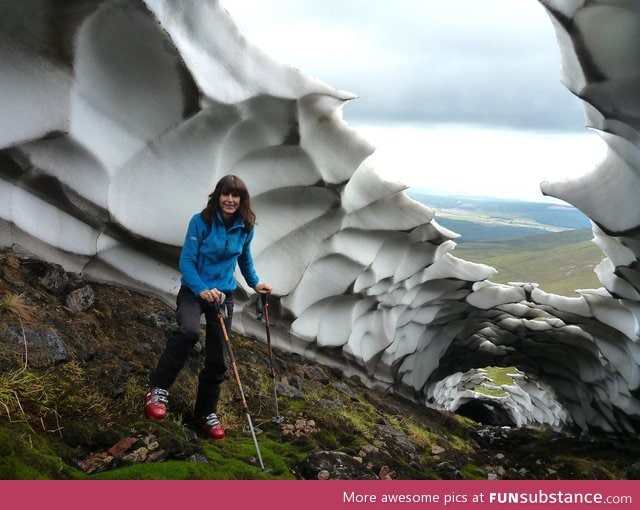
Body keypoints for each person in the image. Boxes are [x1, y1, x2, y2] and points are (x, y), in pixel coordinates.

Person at [145, 175, 272, 440]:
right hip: (194, 292)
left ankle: (204, 413)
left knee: (218, 356)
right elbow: (187, 261)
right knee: (188, 332)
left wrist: (255, 284)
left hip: (223, 296)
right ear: (217, 196)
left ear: (241, 200)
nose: (230, 200)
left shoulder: (245, 227)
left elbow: (244, 258)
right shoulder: (200, 221)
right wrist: (202, 288)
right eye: (226, 194)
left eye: (235, 195)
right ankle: (158, 389)